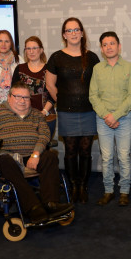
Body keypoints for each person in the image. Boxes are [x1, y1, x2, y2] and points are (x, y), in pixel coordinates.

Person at [0, 81, 73, 224]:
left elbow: (44, 135)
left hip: (31, 154)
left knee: (50, 157)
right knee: (4, 161)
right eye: (18, 96)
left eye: (26, 98)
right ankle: (33, 207)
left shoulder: (36, 114)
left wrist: (36, 154)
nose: (22, 101)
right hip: (7, 156)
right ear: (9, 97)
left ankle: (51, 204)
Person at [45, 17, 100, 204]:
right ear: (64, 35)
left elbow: (99, 83)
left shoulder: (92, 57)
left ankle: (82, 186)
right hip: (67, 111)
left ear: (82, 33)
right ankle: (72, 185)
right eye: (69, 30)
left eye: (77, 29)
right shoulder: (56, 57)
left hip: (88, 111)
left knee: (85, 151)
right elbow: (50, 84)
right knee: (70, 151)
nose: (73, 33)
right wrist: (63, 99)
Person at [89, 31, 131, 206]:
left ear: (119, 46)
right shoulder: (97, 69)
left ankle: (124, 191)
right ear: (101, 49)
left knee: (124, 156)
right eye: (105, 44)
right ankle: (108, 190)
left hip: (123, 119)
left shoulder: (129, 68)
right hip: (103, 119)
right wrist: (106, 116)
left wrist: (115, 116)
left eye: (112, 43)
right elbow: (93, 96)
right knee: (107, 157)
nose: (109, 47)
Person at [12, 36, 56, 137]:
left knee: (44, 150)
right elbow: (13, 93)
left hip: (47, 117)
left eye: (34, 48)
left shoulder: (50, 69)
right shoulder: (19, 69)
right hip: (23, 117)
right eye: (28, 48)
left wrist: (44, 112)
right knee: (25, 148)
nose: (31, 51)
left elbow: (54, 93)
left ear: (41, 50)